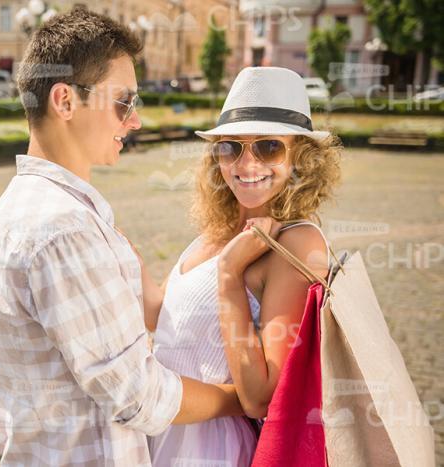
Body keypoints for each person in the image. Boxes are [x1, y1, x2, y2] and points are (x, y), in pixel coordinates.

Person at [0, 9, 246, 466]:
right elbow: (138, 396)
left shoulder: (14, 213)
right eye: (124, 102)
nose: (133, 122)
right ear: (65, 101)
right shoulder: (64, 230)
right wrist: (237, 400)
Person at [144, 66, 342, 466]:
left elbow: (260, 397)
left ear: (301, 157)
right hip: (160, 433)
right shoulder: (217, 230)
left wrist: (230, 274)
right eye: (231, 147)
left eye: (268, 147)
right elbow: (161, 317)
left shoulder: (297, 243)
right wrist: (116, 254)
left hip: (210, 449)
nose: (246, 164)